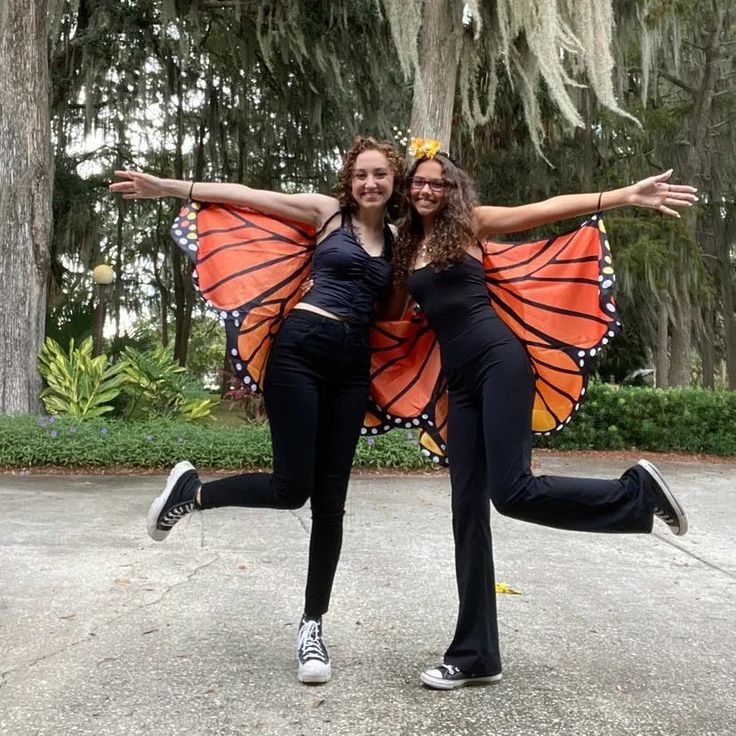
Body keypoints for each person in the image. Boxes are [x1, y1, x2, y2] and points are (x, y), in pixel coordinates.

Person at [392, 142, 697, 690]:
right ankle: (476, 654)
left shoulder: (471, 226)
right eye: (418, 181)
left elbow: (545, 208)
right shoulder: (406, 245)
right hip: (459, 384)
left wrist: (625, 196)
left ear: (452, 187)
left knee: (512, 492)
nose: (425, 189)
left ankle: (634, 494)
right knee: (467, 512)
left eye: (436, 181)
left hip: (499, 362)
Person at [110, 136, 405, 684]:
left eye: (381, 175)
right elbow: (247, 195)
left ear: (394, 181)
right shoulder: (327, 214)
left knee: (332, 504)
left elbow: (393, 312)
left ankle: (312, 627)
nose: (370, 183)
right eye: (362, 173)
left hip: (353, 366)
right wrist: (165, 187)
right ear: (350, 177)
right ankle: (192, 495)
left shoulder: (396, 241)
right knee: (291, 487)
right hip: (302, 347)